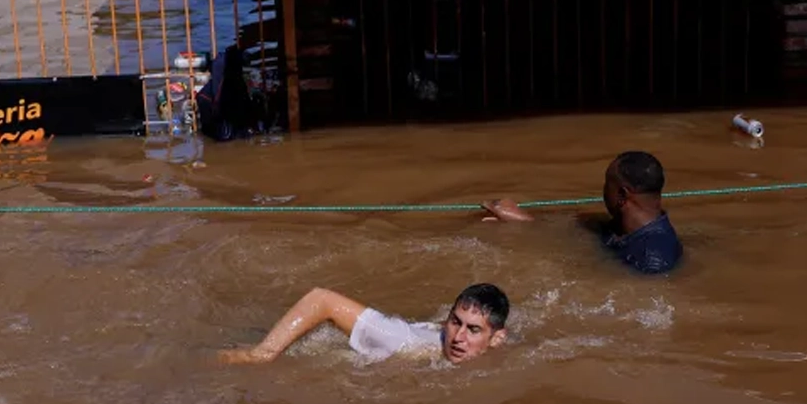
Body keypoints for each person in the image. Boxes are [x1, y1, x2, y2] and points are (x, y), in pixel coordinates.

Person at [482, 150, 683, 275]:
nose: (603, 190)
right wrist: (523, 221)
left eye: (607, 184)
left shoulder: (653, 259)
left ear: (622, 195)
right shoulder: (620, 227)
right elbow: (571, 226)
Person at [219, 283, 510, 365]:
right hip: (298, 352)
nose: (457, 337)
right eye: (455, 322)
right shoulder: (400, 341)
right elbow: (321, 299)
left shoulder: (500, 348)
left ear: (497, 338)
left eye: (473, 329)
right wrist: (262, 354)